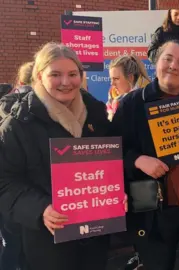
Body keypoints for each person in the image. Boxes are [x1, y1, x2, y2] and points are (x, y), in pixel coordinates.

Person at [0, 42, 117, 270]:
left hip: (94, 236)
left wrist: (115, 192)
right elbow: (4, 181)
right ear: (39, 76)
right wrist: (40, 209)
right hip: (45, 242)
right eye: (55, 74)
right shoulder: (18, 124)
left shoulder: (96, 114)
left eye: (72, 74)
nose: (66, 82)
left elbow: (111, 165)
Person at [111, 40, 179, 270]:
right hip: (154, 210)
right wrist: (138, 161)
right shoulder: (131, 104)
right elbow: (112, 151)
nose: (173, 66)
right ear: (155, 64)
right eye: (167, 59)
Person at [107, 55, 151, 121]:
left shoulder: (147, 99)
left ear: (130, 78)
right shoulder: (112, 97)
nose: (112, 83)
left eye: (116, 79)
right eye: (111, 79)